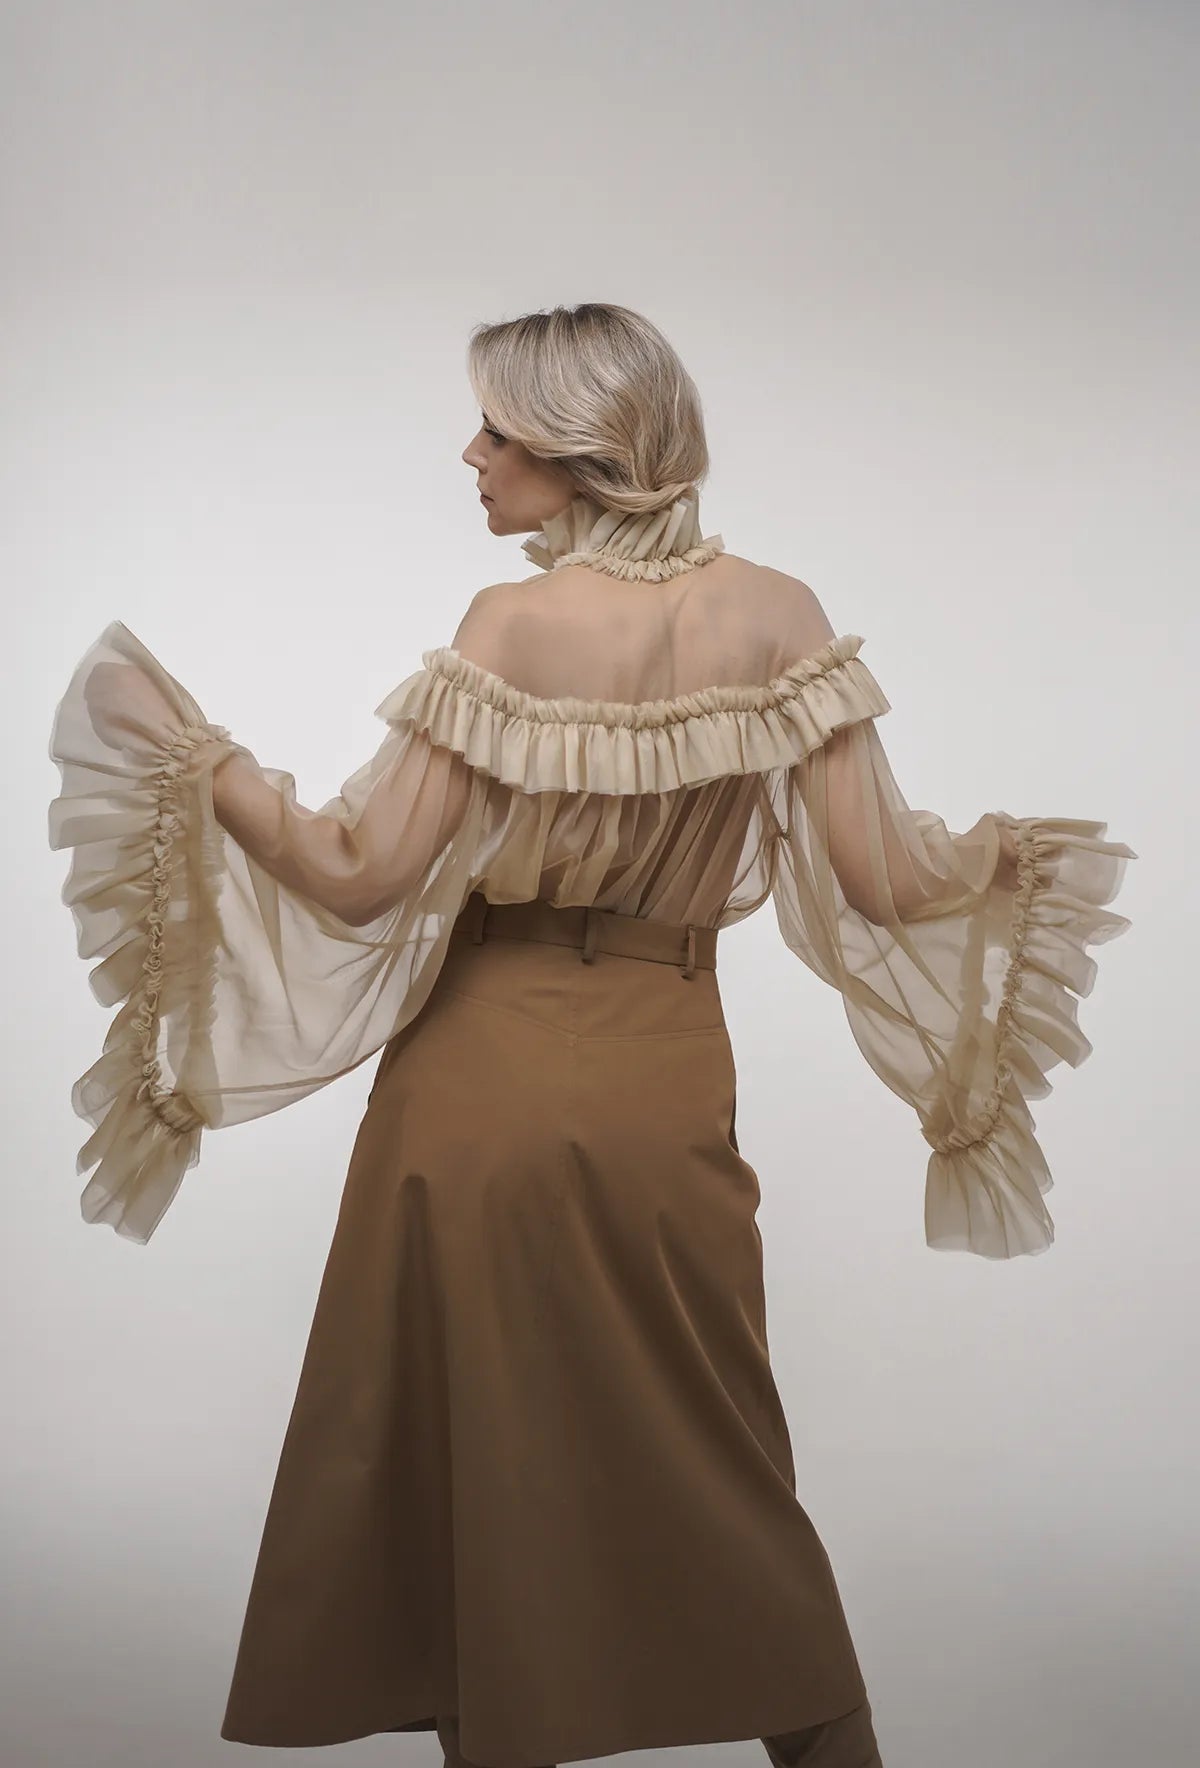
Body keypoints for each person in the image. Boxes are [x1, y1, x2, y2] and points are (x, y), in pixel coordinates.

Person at [47, 302, 1135, 1768]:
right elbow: (882, 882)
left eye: (498, 429)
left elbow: (359, 874)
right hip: (664, 1060)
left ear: (584, 451)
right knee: (722, 1460)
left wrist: (198, 757)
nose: (472, 454)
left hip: (476, 1074)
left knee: (483, 1471)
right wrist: (1009, 859)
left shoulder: (510, 626)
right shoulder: (783, 613)